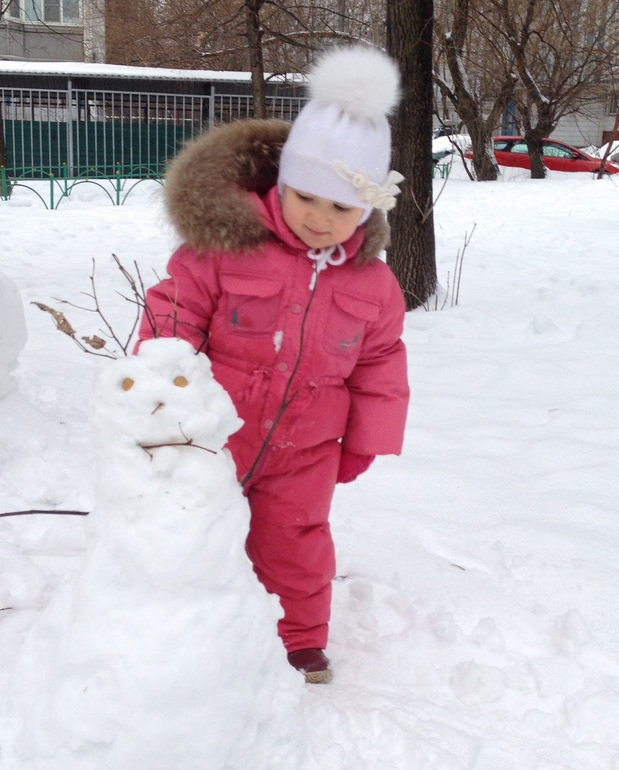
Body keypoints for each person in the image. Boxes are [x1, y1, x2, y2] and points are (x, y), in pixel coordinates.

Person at [136, 44, 410, 684]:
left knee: (296, 540)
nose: (320, 218)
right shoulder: (226, 249)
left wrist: (364, 441)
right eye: (307, 197)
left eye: (342, 207)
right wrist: (162, 398)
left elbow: (381, 364)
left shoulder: (374, 285)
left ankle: (299, 639)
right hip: (213, 436)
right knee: (189, 528)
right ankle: (176, 623)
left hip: (307, 449)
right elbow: (175, 315)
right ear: (281, 184)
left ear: (366, 211)